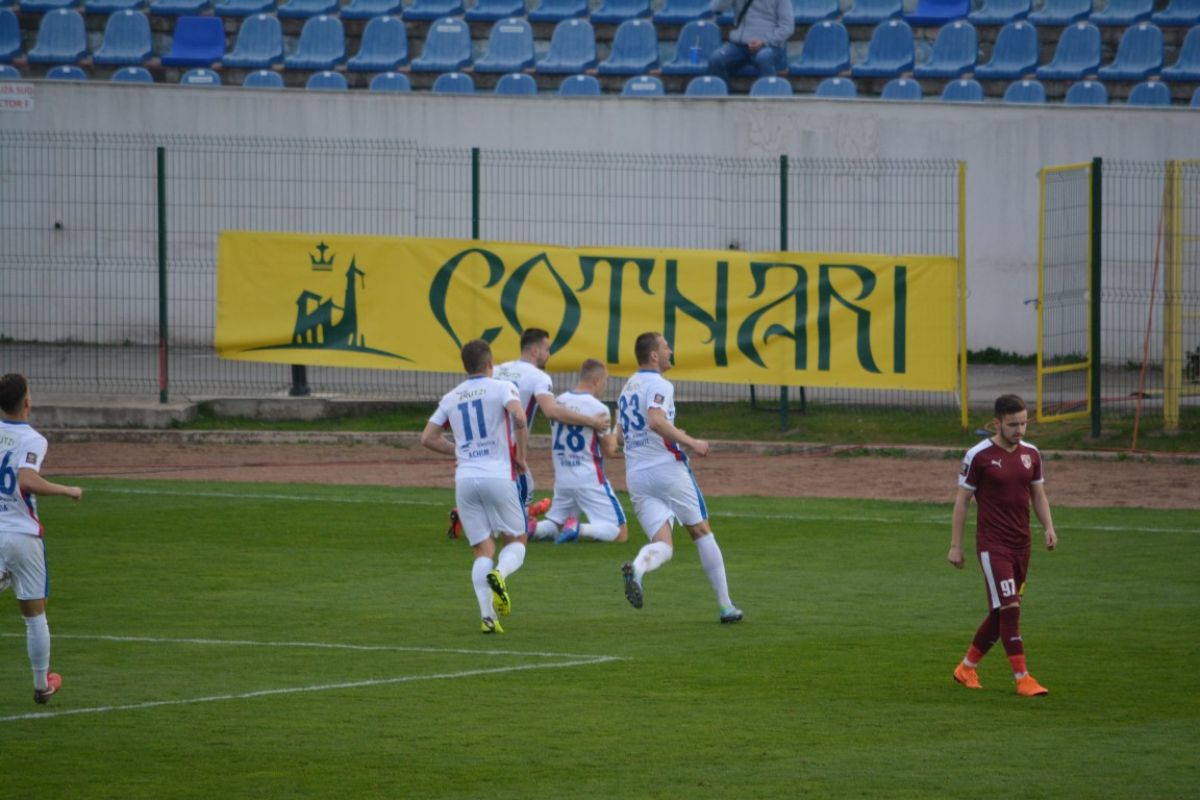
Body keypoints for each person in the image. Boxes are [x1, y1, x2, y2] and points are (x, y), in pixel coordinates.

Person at [614, 332, 743, 624]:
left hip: (636, 474)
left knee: (664, 544)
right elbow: (655, 420)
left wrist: (665, 433)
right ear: (654, 355)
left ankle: (638, 568)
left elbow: (620, 436)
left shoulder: (626, 388)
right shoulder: (660, 384)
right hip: (667, 469)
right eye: (666, 347)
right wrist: (691, 441)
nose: (670, 351)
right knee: (701, 531)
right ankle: (726, 606)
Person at [446, 328, 608, 538]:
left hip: (481, 444)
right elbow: (551, 411)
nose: (549, 354)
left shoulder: (497, 369)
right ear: (534, 351)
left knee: (506, 491)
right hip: (509, 447)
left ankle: (471, 513)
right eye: (547, 350)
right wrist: (592, 421)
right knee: (522, 493)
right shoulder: (538, 377)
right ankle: (501, 523)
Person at [948, 394, 1057, 697]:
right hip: (992, 545)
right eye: (1013, 425)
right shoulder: (978, 456)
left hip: (1022, 544)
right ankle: (1022, 678)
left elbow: (1038, 494)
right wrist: (955, 546)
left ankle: (966, 668)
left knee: (1001, 612)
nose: (1019, 430)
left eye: (1023, 423)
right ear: (997, 423)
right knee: (1010, 607)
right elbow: (962, 501)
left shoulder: (1031, 454)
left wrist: (1048, 527)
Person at [421, 340, 530, 634]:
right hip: (498, 475)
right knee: (517, 540)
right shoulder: (502, 387)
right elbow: (519, 416)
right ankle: (500, 574)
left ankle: (487, 618)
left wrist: (460, 450)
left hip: (465, 479)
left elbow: (427, 438)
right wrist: (521, 456)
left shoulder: (452, 396)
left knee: (483, 549)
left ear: (465, 366)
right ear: (490, 363)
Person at [0, 373, 83, 704]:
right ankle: (41, 685)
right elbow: (26, 480)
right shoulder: (33, 439)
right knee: (34, 614)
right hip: (22, 535)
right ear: (27, 402)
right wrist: (67, 490)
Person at [528, 359, 629, 545]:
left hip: (563, 477)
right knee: (620, 533)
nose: (605, 385)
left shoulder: (559, 401)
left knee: (556, 524)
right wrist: (617, 431)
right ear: (597, 380)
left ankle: (534, 529)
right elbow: (609, 450)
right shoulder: (598, 409)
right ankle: (579, 529)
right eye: (605, 380)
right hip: (589, 478)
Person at [707, 0, 795, 80]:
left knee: (764, 57)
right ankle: (721, 92)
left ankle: (767, 91)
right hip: (740, 45)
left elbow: (787, 27)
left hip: (770, 46)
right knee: (716, 59)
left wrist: (764, 41)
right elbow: (716, 8)